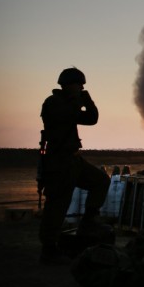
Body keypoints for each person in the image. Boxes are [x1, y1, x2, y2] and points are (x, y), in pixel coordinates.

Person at [38, 67, 111, 264]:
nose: (81, 87)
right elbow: (68, 114)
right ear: (68, 84)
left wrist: (88, 101)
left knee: (101, 181)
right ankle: (49, 249)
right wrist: (78, 100)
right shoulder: (53, 103)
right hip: (59, 162)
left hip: (73, 160)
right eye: (79, 84)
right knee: (57, 205)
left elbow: (92, 119)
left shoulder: (71, 103)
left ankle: (89, 220)